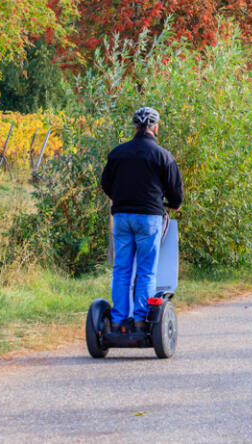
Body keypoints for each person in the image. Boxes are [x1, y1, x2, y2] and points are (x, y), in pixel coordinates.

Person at [100, 107, 184, 334]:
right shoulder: (163, 156)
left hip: (122, 217)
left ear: (135, 126)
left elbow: (106, 183)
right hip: (149, 218)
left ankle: (117, 320)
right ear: (155, 128)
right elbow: (175, 192)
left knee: (121, 268)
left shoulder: (117, 153)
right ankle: (139, 320)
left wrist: (121, 197)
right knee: (146, 270)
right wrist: (174, 203)